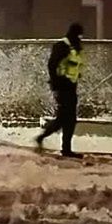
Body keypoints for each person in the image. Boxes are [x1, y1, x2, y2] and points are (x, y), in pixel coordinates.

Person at [36, 23, 85, 158]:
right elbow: (52, 65)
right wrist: (56, 82)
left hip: (71, 86)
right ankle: (62, 147)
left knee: (66, 118)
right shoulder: (62, 46)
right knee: (66, 118)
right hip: (63, 87)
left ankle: (62, 146)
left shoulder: (74, 47)